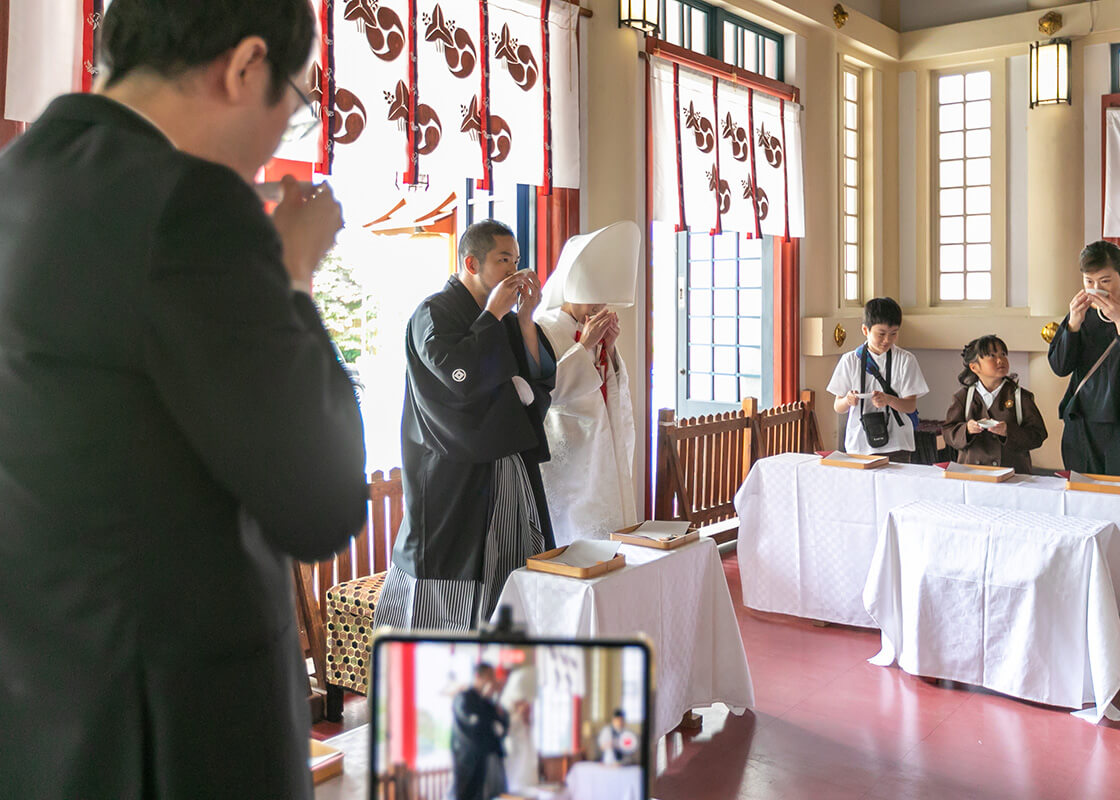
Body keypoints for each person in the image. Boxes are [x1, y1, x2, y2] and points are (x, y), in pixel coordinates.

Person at [0, 2, 368, 797]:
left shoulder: (17, 181)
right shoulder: (188, 207)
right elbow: (324, 502)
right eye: (295, 105)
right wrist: (295, 274)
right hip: (177, 735)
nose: (281, 140)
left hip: (46, 721)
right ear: (243, 67)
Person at [374, 220, 556, 631]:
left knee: (513, 559)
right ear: (472, 262)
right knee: (447, 570)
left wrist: (525, 318)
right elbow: (457, 376)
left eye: (517, 261)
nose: (514, 271)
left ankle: (504, 663)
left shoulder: (505, 318)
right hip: (451, 468)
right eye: (503, 260)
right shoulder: (433, 313)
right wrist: (493, 314)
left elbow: (539, 379)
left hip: (507, 460)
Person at [534, 222, 640, 544]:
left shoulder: (591, 322)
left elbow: (611, 381)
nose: (596, 310)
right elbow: (548, 391)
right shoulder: (545, 327)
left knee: (611, 528)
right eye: (592, 304)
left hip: (602, 442)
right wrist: (585, 346)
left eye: (602, 304)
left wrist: (609, 348)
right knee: (575, 532)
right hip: (569, 447)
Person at [1048, 241, 1120, 483]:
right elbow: (1060, 367)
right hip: (1082, 423)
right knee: (1083, 500)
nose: (1096, 289)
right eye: (1088, 282)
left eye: (1105, 281)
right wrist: (1072, 324)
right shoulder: (1080, 317)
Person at [827, 297, 929, 461]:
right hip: (859, 445)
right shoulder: (850, 360)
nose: (887, 340)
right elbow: (838, 406)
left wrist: (888, 400)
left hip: (898, 444)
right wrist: (847, 400)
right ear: (865, 330)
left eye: (893, 333)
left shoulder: (906, 359)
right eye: (881, 334)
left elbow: (910, 406)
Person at [943, 335, 1048, 474]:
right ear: (974, 367)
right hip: (972, 475)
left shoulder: (1020, 396)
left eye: (1003, 354)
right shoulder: (963, 397)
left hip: (1013, 475)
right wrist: (966, 430)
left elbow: (1038, 435)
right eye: (991, 356)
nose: (1000, 360)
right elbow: (948, 432)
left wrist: (1008, 431)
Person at [451, 663, 510, 800]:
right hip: (469, 760)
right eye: (489, 676)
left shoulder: (489, 702)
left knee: (496, 795)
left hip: (490, 758)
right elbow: (475, 723)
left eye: (493, 676)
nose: (493, 680)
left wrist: (494, 702)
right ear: (478, 677)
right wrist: (485, 700)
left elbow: (502, 727)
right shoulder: (464, 698)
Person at [498, 663, 538, 790]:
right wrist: (517, 716)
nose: (526, 706)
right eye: (522, 702)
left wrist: (526, 719)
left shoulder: (525, 715)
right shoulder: (505, 709)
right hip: (512, 759)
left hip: (527, 762)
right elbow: (503, 731)